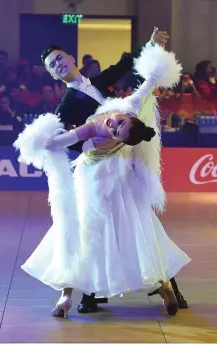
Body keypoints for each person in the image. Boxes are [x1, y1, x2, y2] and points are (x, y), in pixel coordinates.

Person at [14, 45, 190, 319]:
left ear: (71, 58)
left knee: (137, 221)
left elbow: (140, 77)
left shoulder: (114, 97)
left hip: (121, 169)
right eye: (52, 64)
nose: (58, 64)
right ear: (51, 74)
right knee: (85, 227)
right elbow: (60, 141)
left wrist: (152, 47)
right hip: (92, 174)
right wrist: (50, 141)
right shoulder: (69, 109)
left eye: (60, 58)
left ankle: (165, 285)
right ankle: (80, 293)